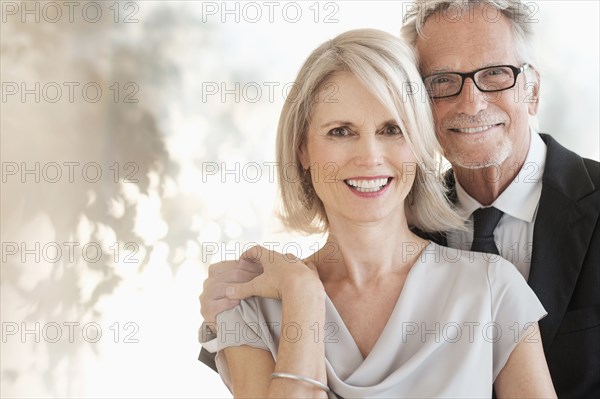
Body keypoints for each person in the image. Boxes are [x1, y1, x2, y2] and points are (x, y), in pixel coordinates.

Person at [200, 1, 599, 397]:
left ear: (533, 91)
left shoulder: (493, 286)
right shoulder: (258, 300)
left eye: (391, 129)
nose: (471, 102)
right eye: (340, 131)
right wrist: (302, 296)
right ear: (301, 148)